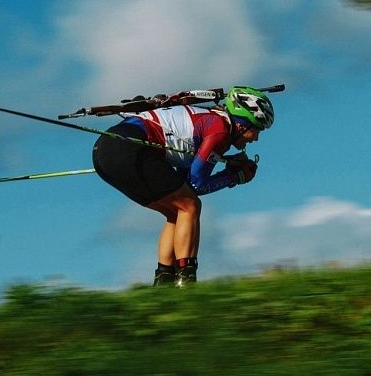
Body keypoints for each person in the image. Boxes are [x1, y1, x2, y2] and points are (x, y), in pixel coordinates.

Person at [91, 87, 274, 287]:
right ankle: (186, 279)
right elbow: (198, 184)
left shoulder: (210, 122)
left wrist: (229, 166)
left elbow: (187, 183)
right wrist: (235, 176)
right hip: (128, 148)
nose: (256, 138)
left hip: (105, 152)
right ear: (241, 125)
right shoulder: (220, 130)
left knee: (177, 211)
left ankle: (165, 280)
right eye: (256, 129)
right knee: (190, 206)